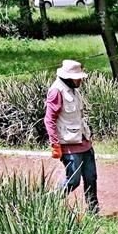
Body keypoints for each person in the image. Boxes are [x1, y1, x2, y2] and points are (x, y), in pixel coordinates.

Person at [44, 59, 99, 213]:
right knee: (73, 181)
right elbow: (49, 120)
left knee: (91, 178)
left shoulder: (74, 89)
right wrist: (55, 144)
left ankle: (93, 212)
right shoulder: (56, 91)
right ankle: (48, 202)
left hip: (84, 142)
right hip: (69, 145)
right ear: (68, 77)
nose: (81, 79)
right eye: (78, 77)